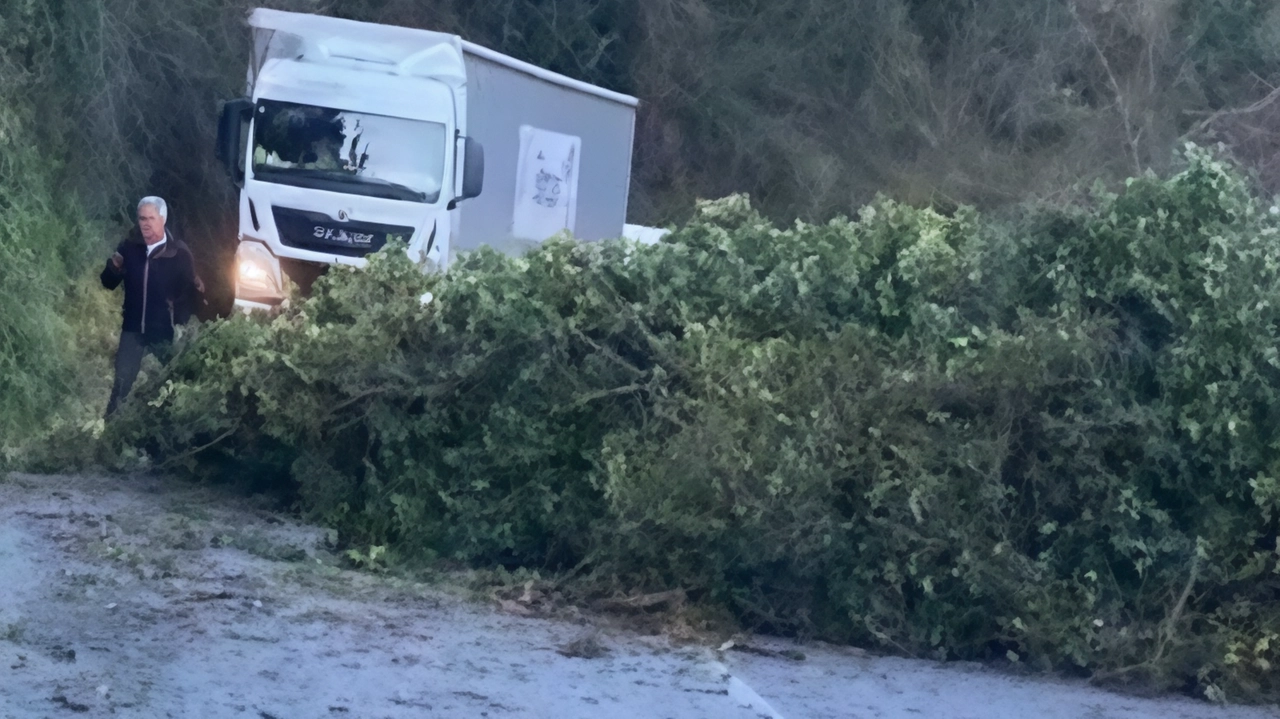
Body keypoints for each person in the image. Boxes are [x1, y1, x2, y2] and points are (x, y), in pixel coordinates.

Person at [101, 196, 203, 417]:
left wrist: (181, 326)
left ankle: (169, 428)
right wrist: (114, 268)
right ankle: (108, 437)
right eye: (141, 218)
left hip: (163, 331)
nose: (145, 223)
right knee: (120, 387)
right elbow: (108, 283)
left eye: (151, 218)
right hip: (132, 329)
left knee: (174, 383)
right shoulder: (129, 247)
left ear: (163, 219)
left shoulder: (179, 253)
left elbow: (189, 294)